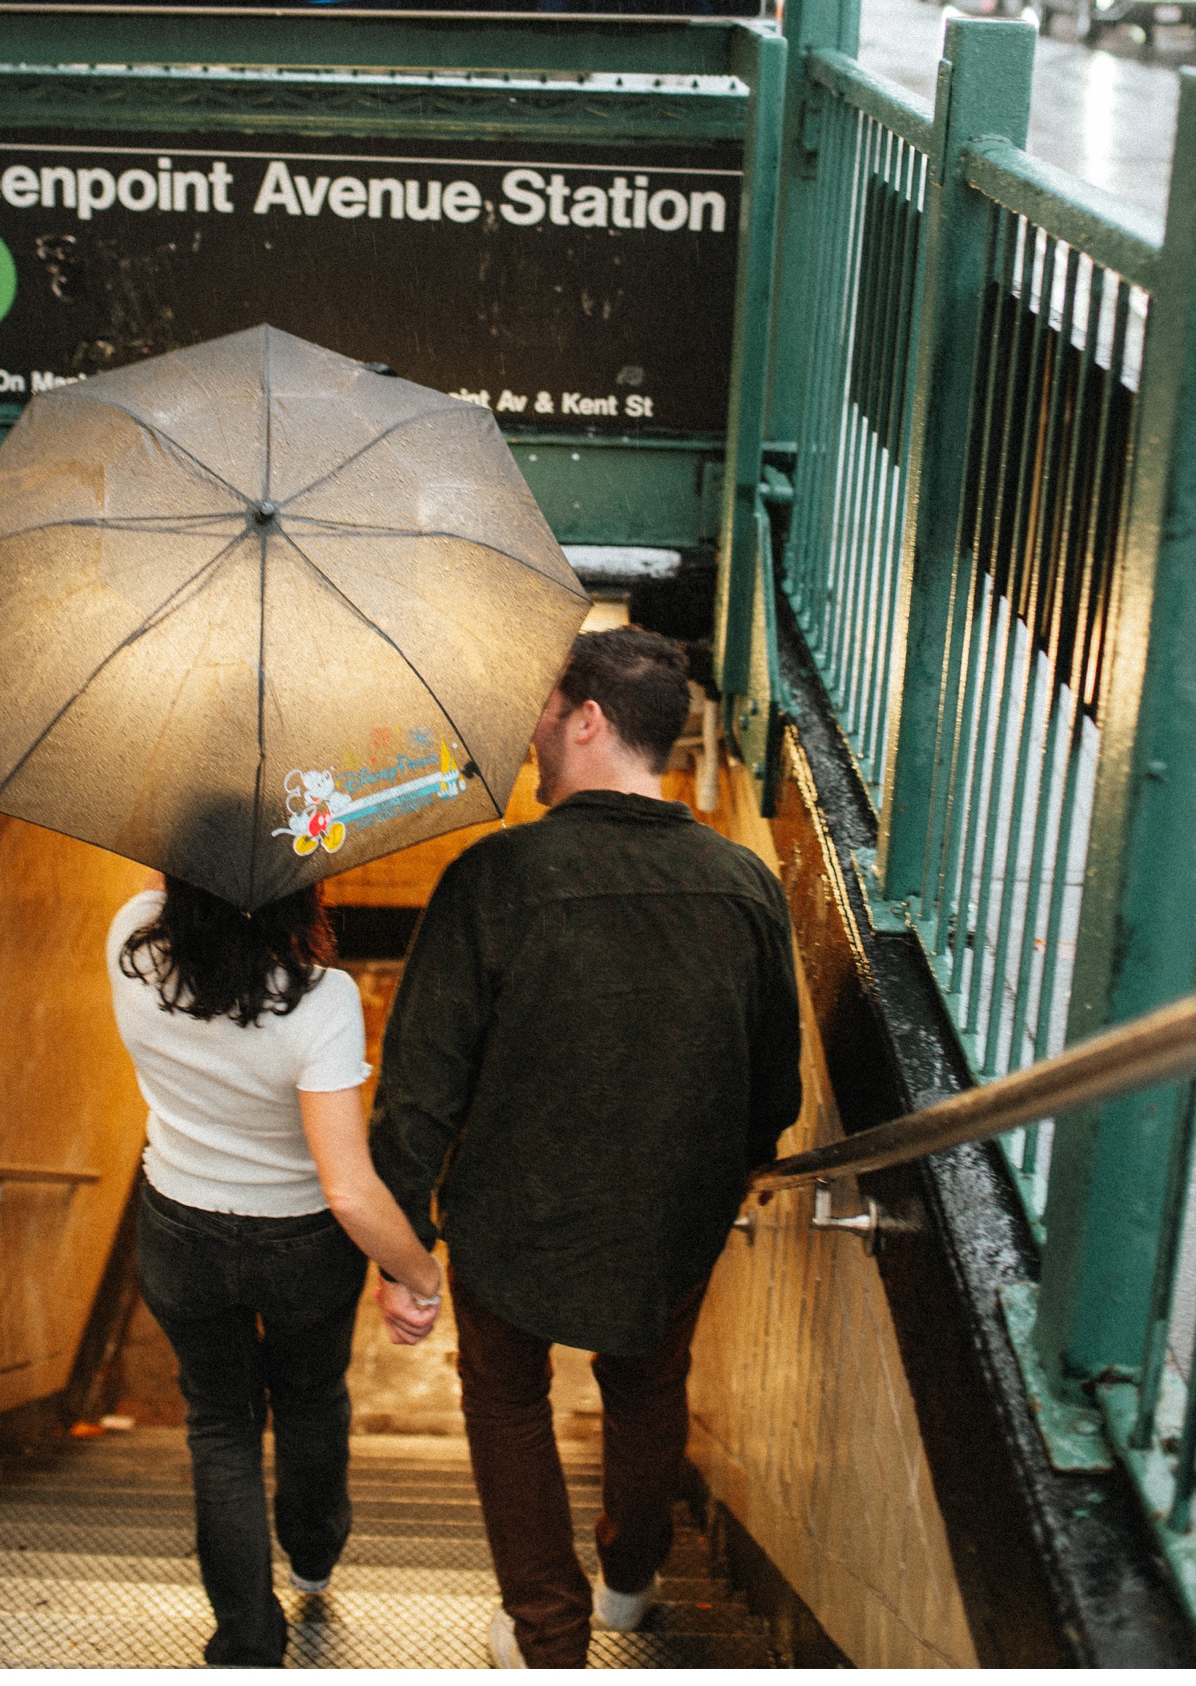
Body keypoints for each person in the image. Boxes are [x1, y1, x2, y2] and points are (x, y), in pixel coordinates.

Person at [368, 628, 802, 1670]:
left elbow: (419, 1086)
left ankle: (548, 1636)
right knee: (649, 1385)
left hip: (510, 1226)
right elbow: (773, 1092)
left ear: (589, 720)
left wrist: (403, 1249)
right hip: (669, 1227)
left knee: (507, 1402)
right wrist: (702, 1183)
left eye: (546, 708)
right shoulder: (745, 884)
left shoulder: (494, 876)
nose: (532, 730)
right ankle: (629, 1581)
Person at [107, 875, 444, 1668]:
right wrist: (418, 1274)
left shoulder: (132, 939)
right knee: (310, 1396)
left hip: (180, 1224)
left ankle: (247, 1637)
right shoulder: (319, 1000)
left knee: (220, 1424)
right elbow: (349, 1189)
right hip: (302, 1242)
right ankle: (314, 1553)